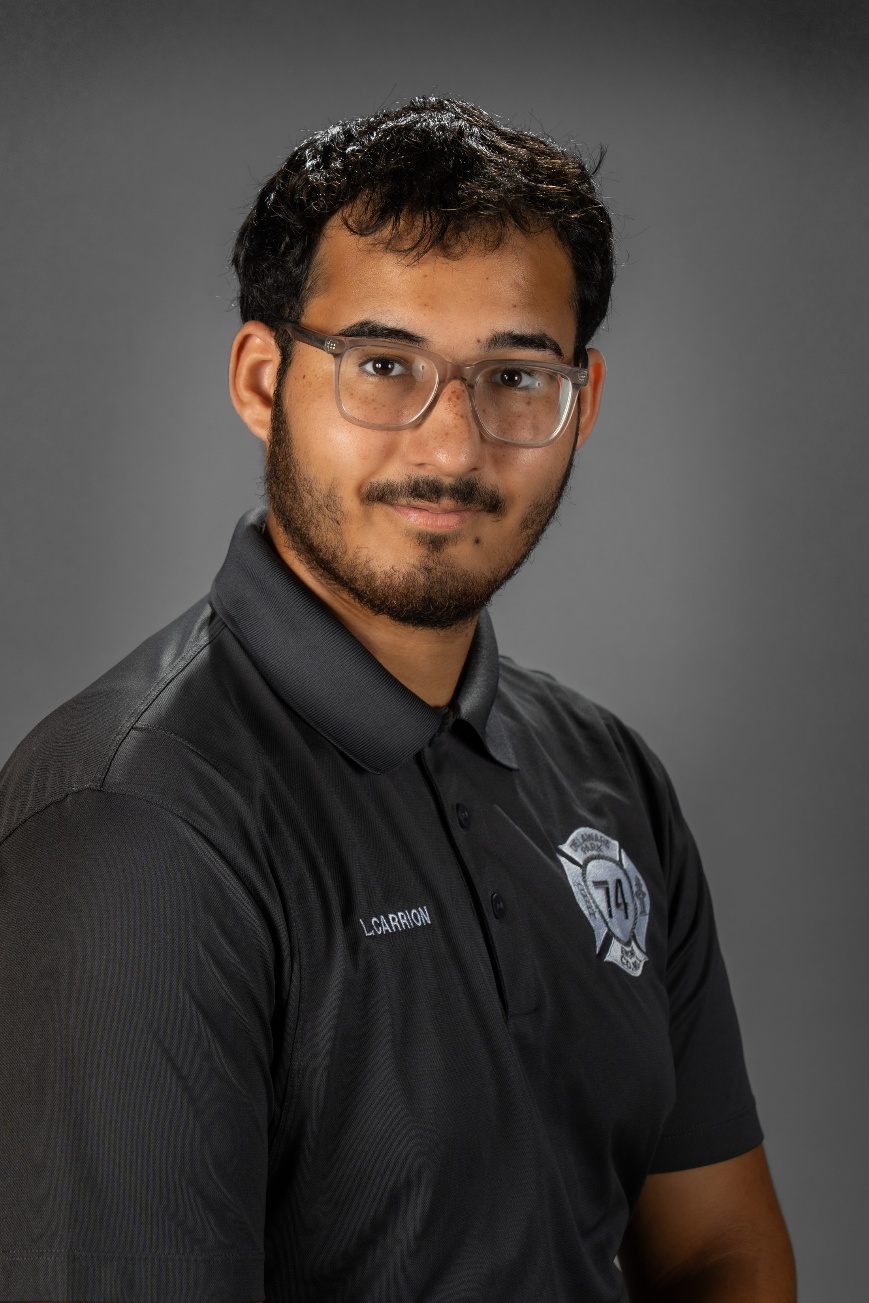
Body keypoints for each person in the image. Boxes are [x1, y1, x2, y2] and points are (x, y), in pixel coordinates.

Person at [0, 97, 795, 1303]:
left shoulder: (609, 778)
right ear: (262, 380)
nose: (452, 448)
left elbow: (716, 1249)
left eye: (513, 377)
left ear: (580, 401)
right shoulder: (134, 825)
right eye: (383, 366)